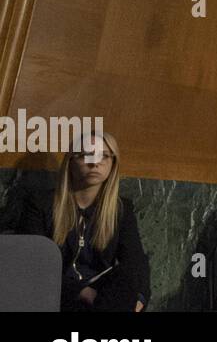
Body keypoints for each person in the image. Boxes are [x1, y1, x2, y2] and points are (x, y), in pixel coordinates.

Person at [18, 132, 150, 312]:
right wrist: (83, 292)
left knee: (126, 277)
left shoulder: (121, 209)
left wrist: (140, 297)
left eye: (103, 156)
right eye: (86, 155)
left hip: (103, 295)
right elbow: (32, 264)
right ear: (71, 162)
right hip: (58, 294)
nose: (95, 163)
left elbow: (134, 261)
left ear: (113, 164)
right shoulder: (41, 204)